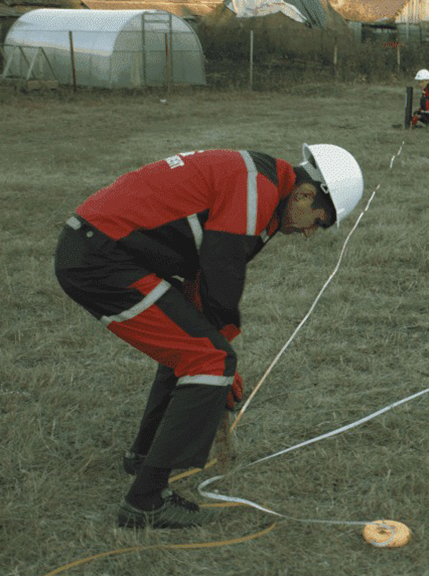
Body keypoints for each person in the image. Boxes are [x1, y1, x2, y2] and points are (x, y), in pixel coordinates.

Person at [54, 144, 364, 529]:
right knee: (210, 359)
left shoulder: (264, 187)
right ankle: (146, 502)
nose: (308, 233)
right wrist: (223, 367)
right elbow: (222, 275)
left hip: (100, 247)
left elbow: (206, 283)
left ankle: (144, 456)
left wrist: (218, 346)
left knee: (199, 349)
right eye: (317, 221)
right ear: (305, 193)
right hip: (101, 258)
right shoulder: (258, 189)